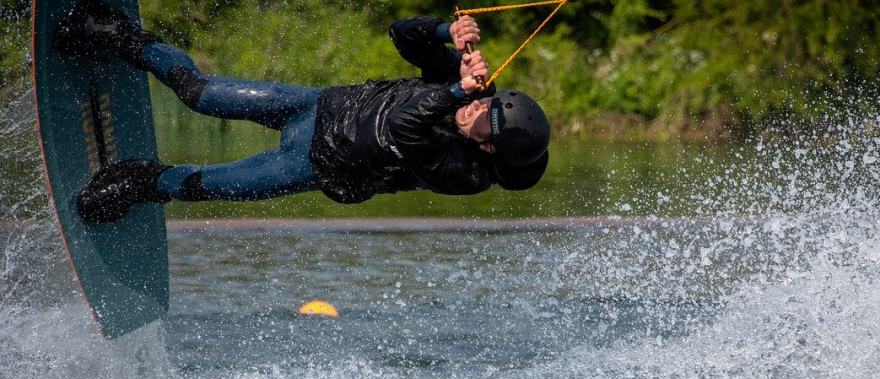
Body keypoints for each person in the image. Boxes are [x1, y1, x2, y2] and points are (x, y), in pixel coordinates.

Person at [54, 0, 551, 222]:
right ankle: (122, 38)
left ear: (487, 146)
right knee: (198, 93)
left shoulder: (465, 173)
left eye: (481, 119)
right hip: (316, 107)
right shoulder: (466, 90)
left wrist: (457, 93)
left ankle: (140, 183)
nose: (475, 109)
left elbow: (405, 126)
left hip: (318, 165)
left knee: (206, 186)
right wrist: (447, 34)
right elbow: (401, 32)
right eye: (484, 101)